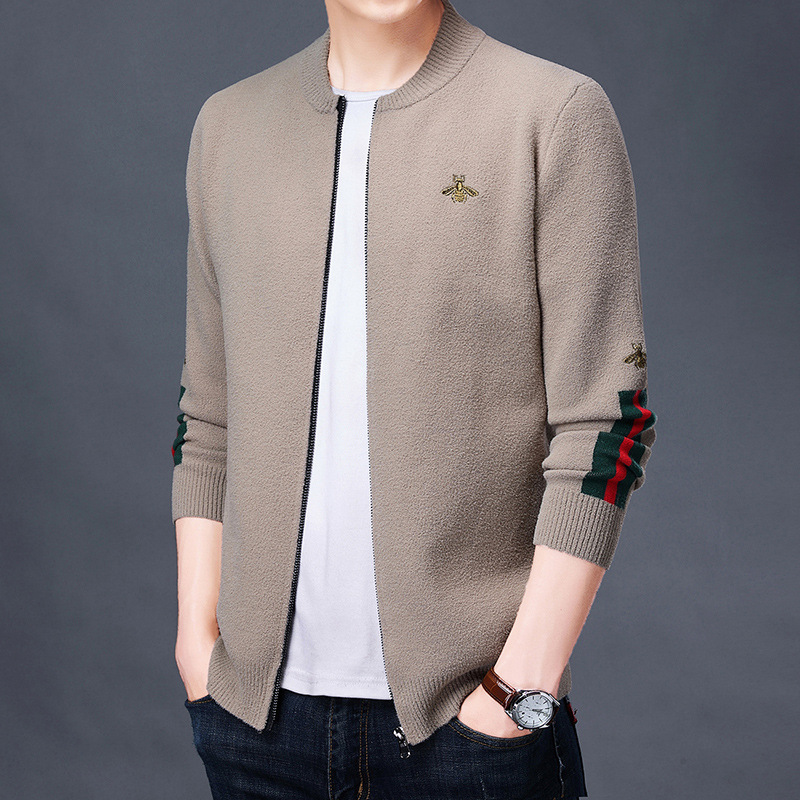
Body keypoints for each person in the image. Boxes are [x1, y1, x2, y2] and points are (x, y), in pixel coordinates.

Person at [171, 0, 657, 797]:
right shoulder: (227, 129)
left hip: (474, 727)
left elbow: (608, 423)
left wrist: (519, 691)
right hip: (253, 726)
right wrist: (197, 641)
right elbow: (208, 415)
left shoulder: (555, 114)